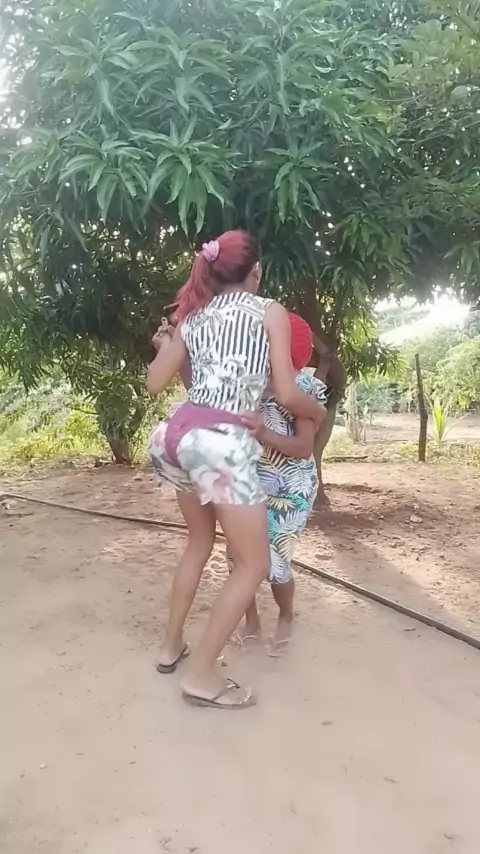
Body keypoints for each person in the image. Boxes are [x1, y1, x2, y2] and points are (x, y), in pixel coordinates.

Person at [147, 230, 325, 710]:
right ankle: (201, 675)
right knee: (255, 564)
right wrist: (317, 411)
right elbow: (287, 394)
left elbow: (155, 382)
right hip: (220, 444)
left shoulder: (193, 314)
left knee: (199, 542)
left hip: (176, 436)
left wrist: (167, 343)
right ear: (256, 270)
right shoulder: (269, 311)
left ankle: (170, 648)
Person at [227, 313, 327, 656]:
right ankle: (251, 623)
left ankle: (286, 616)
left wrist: (263, 433)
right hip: (250, 483)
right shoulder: (250, 386)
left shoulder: (302, 389)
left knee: (275, 561)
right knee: (237, 557)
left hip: (291, 487)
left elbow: (302, 448)